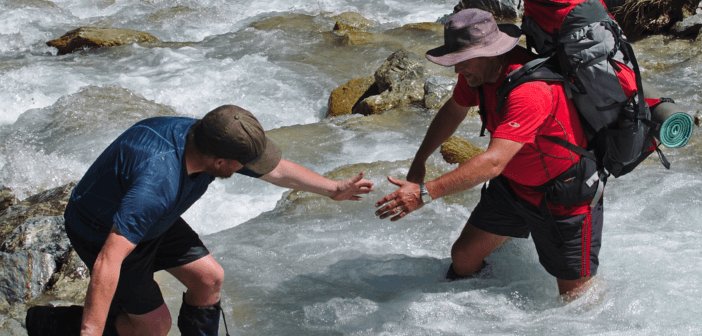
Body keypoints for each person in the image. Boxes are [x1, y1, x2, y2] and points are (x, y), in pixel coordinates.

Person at [62, 105, 374, 336]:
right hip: (101, 230)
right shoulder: (157, 184)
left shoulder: (209, 138)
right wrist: (91, 331)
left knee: (209, 278)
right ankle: (56, 326)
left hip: (156, 221)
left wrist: (333, 189)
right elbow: (108, 261)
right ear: (220, 162)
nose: (249, 168)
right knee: (155, 326)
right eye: (244, 164)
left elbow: (275, 170)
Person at [374, 9, 603, 300]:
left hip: (564, 195)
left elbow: (493, 162)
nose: (457, 70)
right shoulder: (478, 74)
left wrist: (424, 193)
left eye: (461, 61)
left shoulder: (530, 90)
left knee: (576, 300)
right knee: (463, 259)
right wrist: (421, 159)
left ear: (493, 53)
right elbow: (455, 110)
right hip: (513, 187)